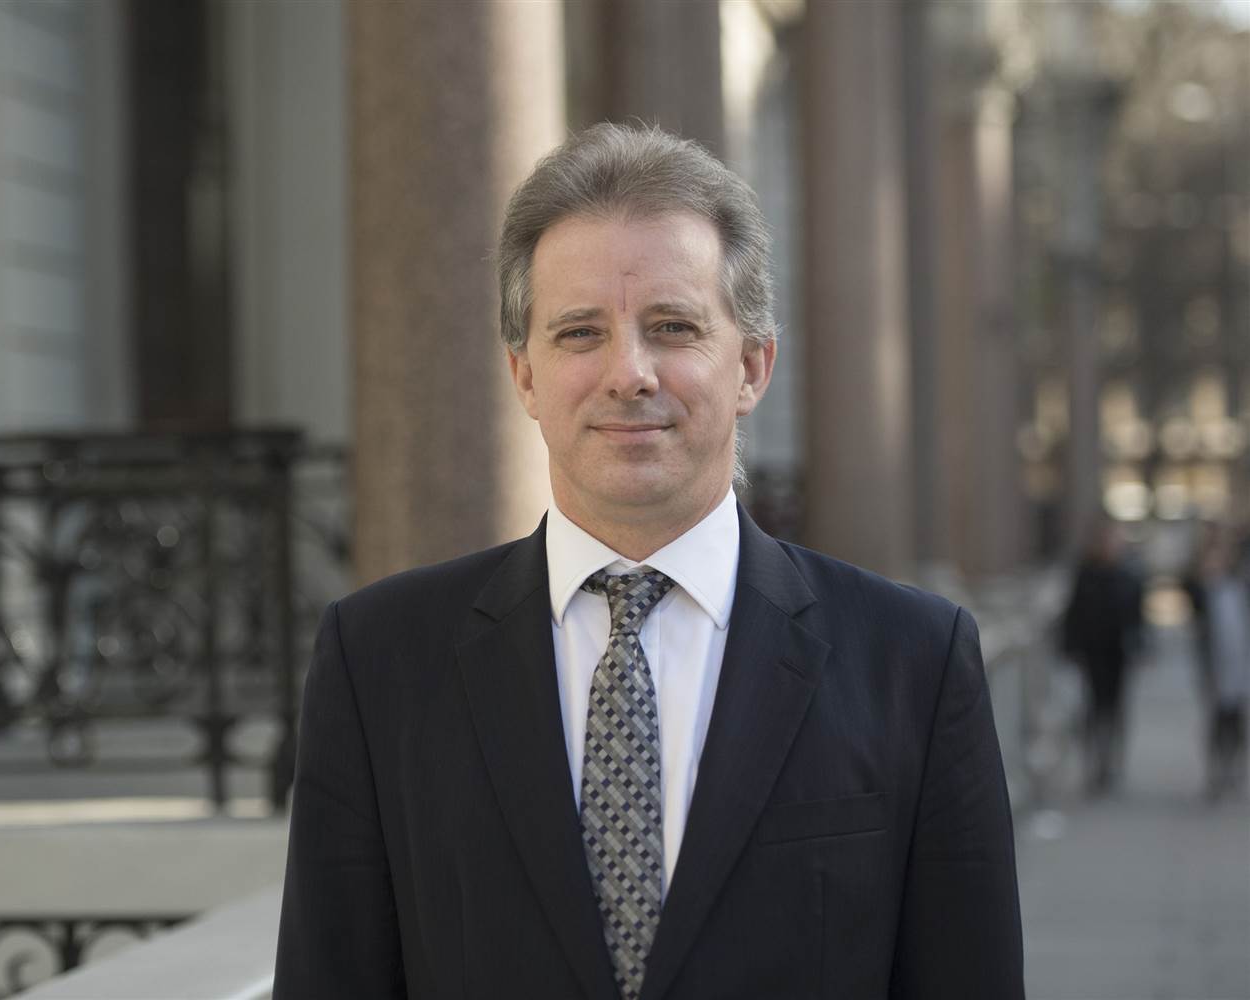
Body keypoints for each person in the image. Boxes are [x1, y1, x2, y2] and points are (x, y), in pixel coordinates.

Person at [274, 123, 1023, 999]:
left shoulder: (912, 662)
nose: (628, 373)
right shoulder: (379, 660)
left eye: (671, 326)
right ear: (523, 375)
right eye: (580, 333)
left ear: (750, 367)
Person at [1061, 520, 1144, 794]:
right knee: (1094, 708)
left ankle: (1111, 764)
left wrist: (1140, 645)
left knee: (1115, 709)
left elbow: (1136, 617)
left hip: (1118, 653)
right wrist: (1070, 647)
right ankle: (1095, 764)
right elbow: (1073, 614)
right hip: (1092, 652)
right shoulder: (1087, 575)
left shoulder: (1127, 576)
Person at [1185, 524, 1249, 801]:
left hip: (1240, 663)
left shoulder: (1240, 587)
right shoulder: (1205, 590)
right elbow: (1188, 586)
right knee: (1215, 719)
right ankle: (1216, 771)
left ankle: (1232, 767)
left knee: (1235, 719)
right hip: (1214, 663)